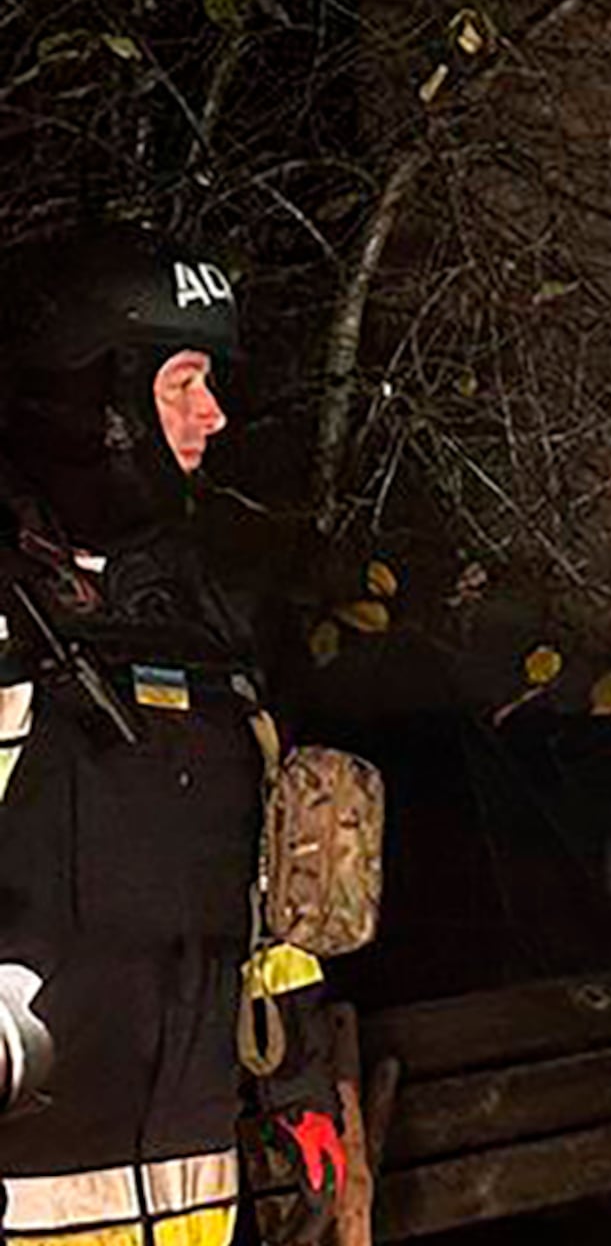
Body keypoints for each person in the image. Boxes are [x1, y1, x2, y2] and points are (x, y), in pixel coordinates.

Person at [0, 224, 344, 1246]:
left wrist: (301, 1080)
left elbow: (268, 892)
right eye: (183, 381)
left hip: (192, 1191)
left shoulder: (197, 617)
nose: (215, 414)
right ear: (93, 400)